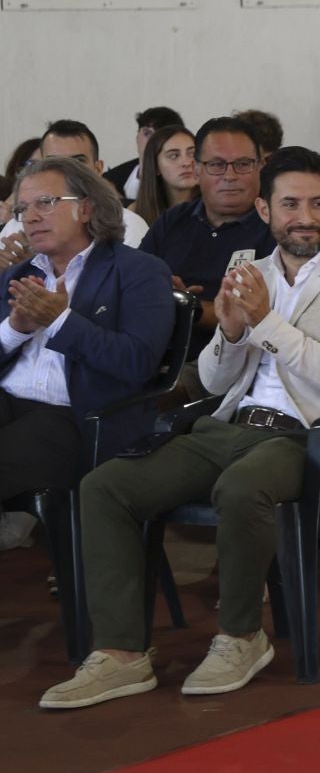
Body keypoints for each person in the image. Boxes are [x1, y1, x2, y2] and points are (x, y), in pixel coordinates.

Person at [42, 147, 320, 707]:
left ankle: (240, 636)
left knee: (242, 487)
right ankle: (121, 653)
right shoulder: (251, 273)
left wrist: (266, 322)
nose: (303, 216)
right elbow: (212, 377)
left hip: (308, 435)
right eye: (289, 204)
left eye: (316, 203)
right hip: (228, 426)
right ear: (264, 209)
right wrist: (232, 334)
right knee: (105, 487)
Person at [0, 158, 177, 533]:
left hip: (79, 419)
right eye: (21, 209)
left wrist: (60, 321)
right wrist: (15, 329)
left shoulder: (139, 271)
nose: (29, 217)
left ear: (86, 207)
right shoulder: (20, 275)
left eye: (45, 202)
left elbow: (137, 362)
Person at [139, 116, 275, 351]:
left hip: (237, 360)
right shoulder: (173, 221)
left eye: (243, 164)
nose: (230, 176)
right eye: (216, 165)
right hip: (156, 351)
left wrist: (189, 307)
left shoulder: (276, 228)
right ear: (198, 169)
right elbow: (136, 284)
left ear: (260, 167)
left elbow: (264, 317)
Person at [4, 121, 150, 247]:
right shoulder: (18, 225)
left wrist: (32, 267)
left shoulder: (128, 226)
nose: (67, 171)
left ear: (98, 168)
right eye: (54, 163)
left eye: (78, 162)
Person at [105, 105, 185, 200]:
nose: (152, 140)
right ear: (137, 137)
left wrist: (119, 200)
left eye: (160, 135)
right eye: (147, 133)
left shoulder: (182, 179)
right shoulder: (111, 178)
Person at [130, 123, 199, 228]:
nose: (187, 163)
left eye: (192, 154)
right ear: (156, 166)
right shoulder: (136, 212)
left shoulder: (216, 208)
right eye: (173, 156)